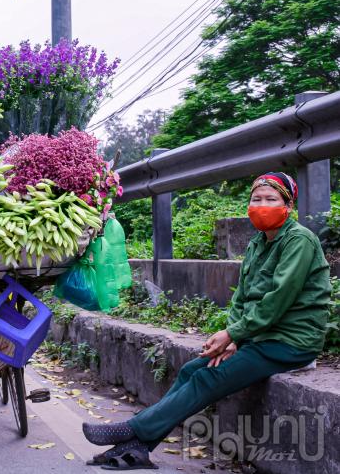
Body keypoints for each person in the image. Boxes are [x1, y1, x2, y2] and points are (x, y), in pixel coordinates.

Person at [81, 172, 332, 469]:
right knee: (191, 370)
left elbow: (278, 299)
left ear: (288, 206)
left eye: (271, 199)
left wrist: (235, 334)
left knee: (209, 376)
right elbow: (242, 297)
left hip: (290, 341)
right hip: (261, 336)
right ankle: (138, 449)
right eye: (256, 199)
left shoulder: (299, 241)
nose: (262, 205)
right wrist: (234, 336)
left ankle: (133, 430)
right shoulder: (258, 243)